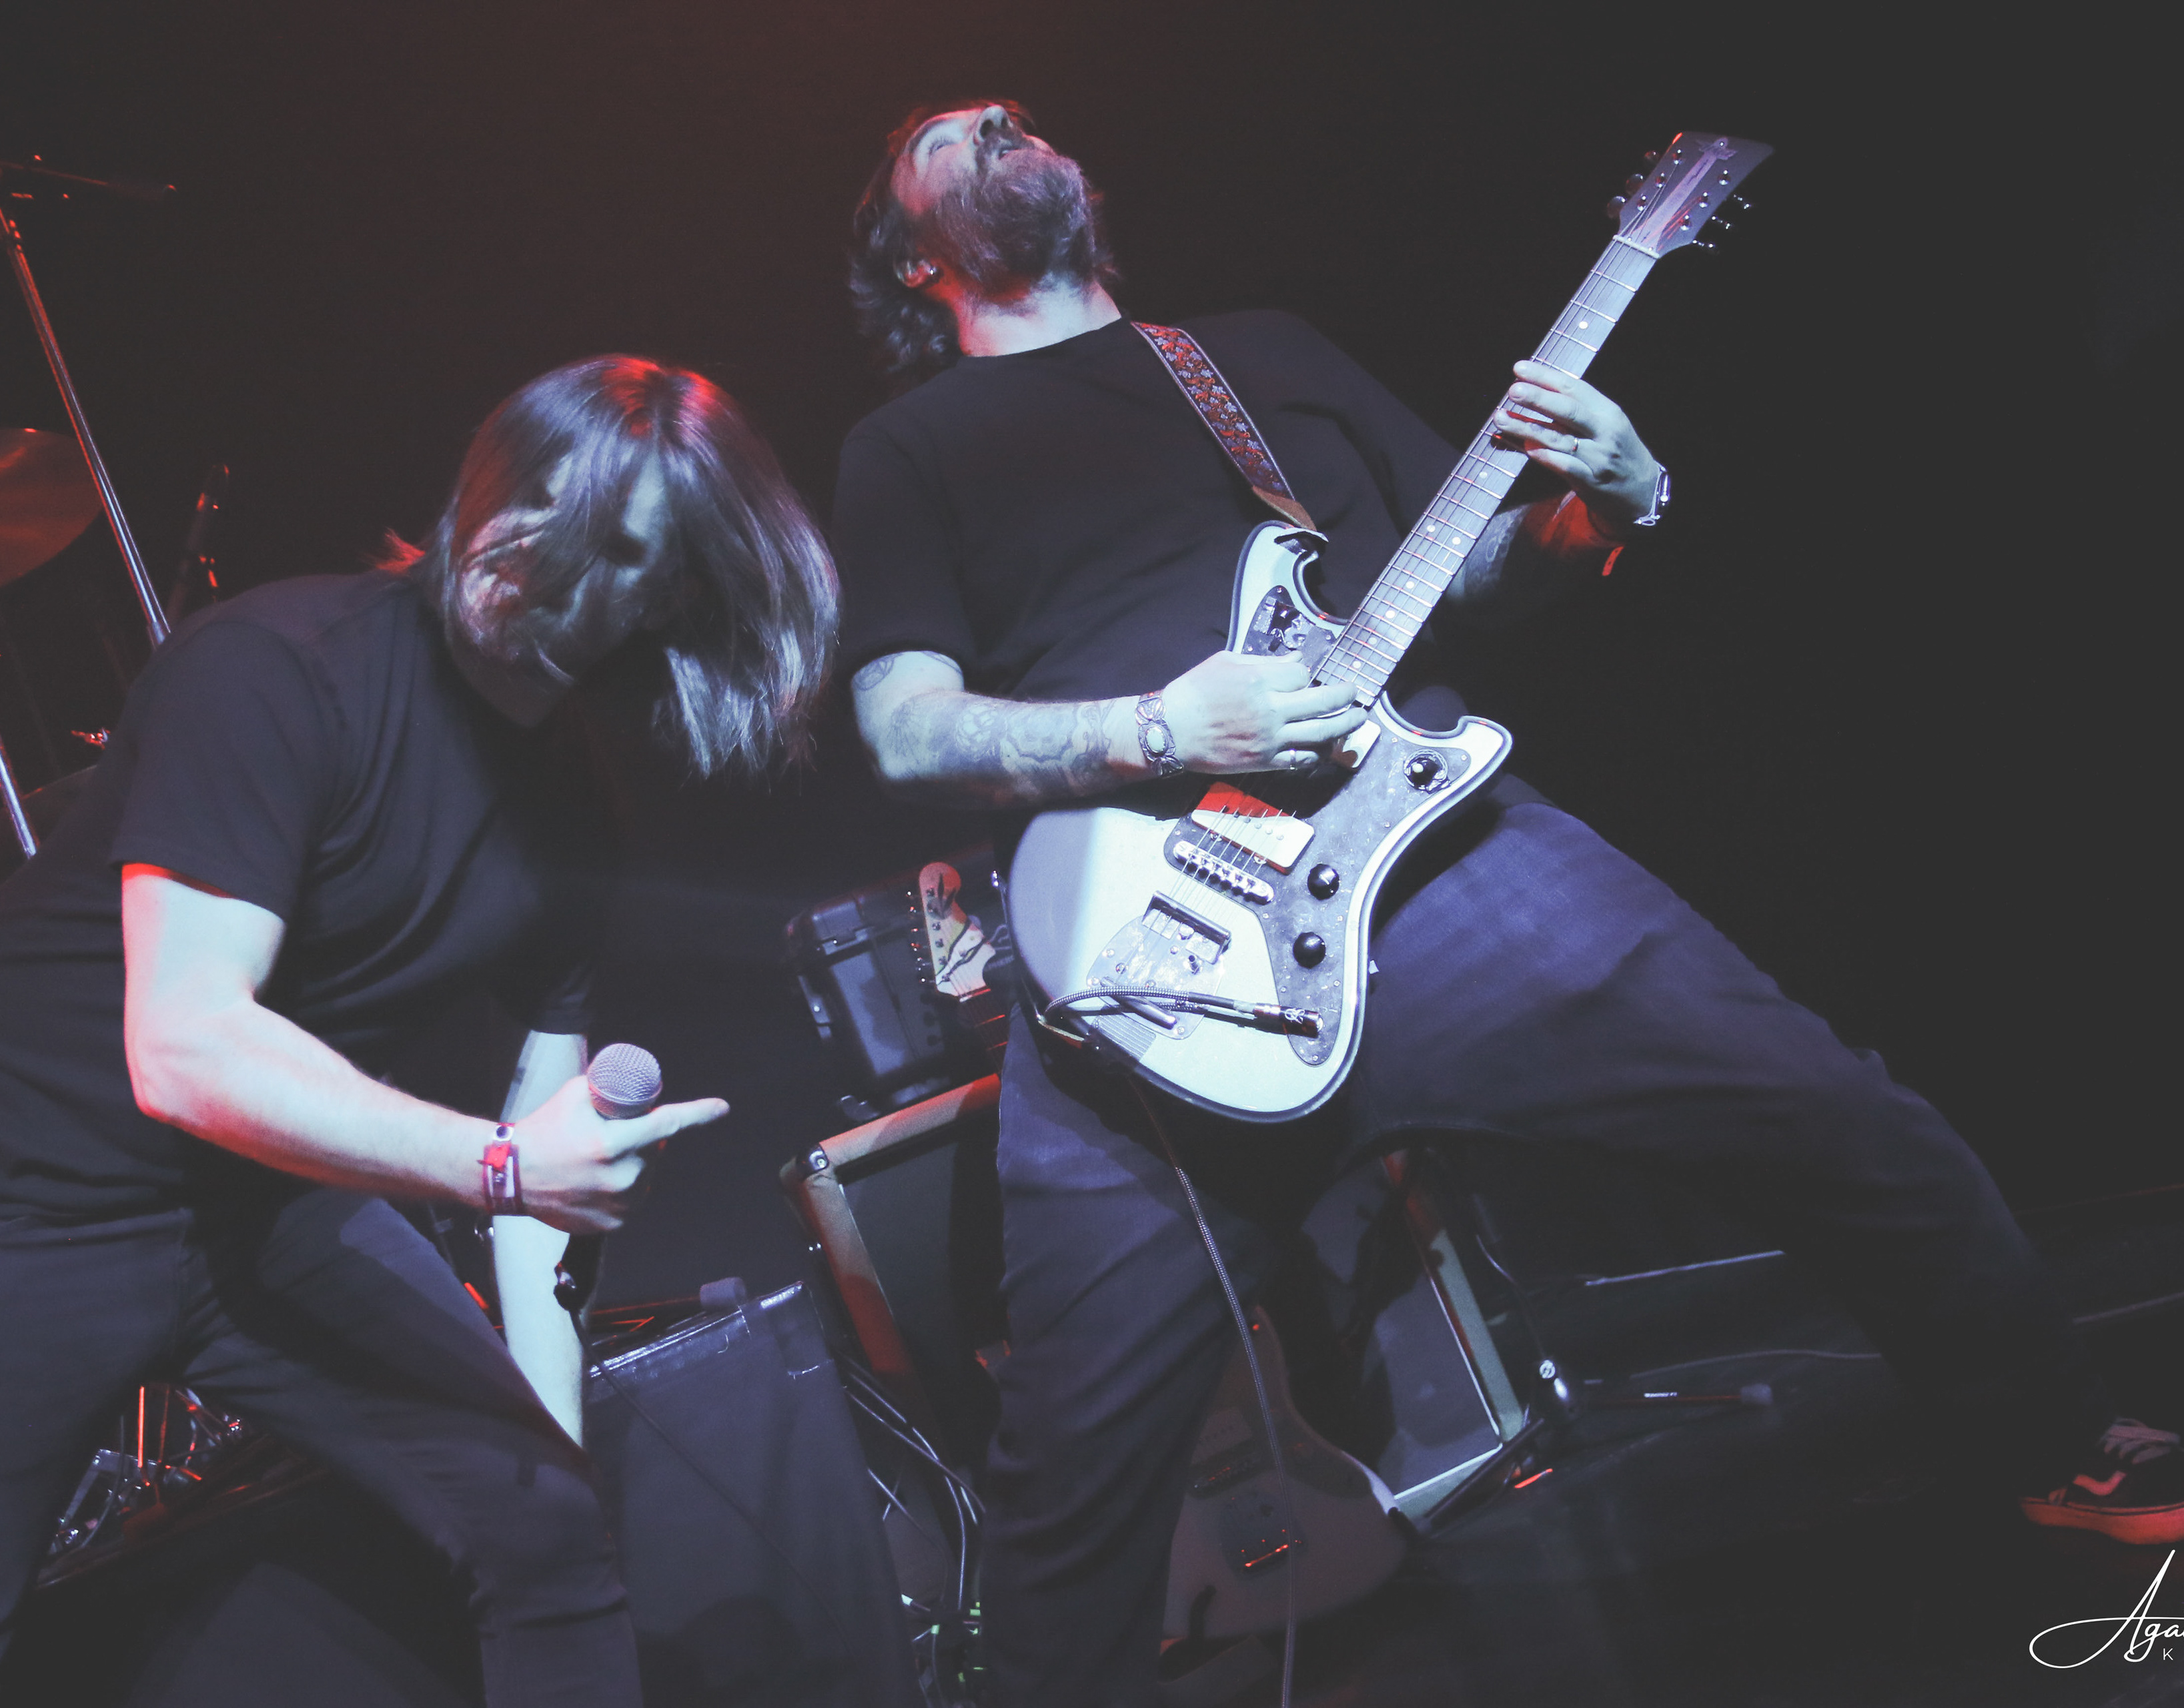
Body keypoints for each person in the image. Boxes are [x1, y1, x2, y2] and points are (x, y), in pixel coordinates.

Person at [828, 101, 2184, 1706]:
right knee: (1075, 1461)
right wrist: (1159, 729)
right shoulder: (909, 449)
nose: (998, 122)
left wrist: (1602, 499)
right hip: (1144, 945)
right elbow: (903, 727)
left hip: (1438, 864)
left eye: (1015, 115)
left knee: (1838, 1118)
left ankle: (2052, 1439)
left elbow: (1466, 576)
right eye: (947, 136)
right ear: (910, 257)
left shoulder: (1256, 354)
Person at [0, 355, 837, 1705]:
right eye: (524, 497)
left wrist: (550, 1464)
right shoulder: (275, 669)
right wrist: (499, 1165)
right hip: (30, 1197)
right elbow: (187, 1047)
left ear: (676, 590)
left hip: (262, 1209)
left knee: (546, 1530)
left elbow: (541, 1174)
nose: (524, 547)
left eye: (606, 542)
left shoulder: (572, 807)